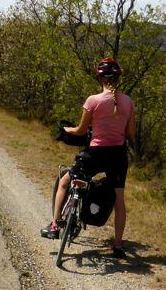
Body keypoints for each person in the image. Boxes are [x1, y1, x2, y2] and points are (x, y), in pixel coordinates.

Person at [41, 57, 136, 256]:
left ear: (100, 78)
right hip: (117, 155)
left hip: (95, 154)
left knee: (65, 181)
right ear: (118, 78)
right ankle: (118, 246)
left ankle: (55, 225)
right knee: (119, 200)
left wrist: (66, 129)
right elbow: (130, 133)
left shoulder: (93, 100)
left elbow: (81, 130)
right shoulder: (128, 102)